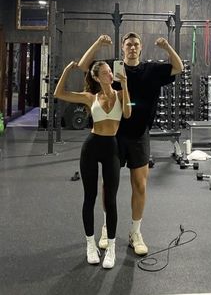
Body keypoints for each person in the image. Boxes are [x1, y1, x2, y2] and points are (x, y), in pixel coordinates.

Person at [76, 33, 184, 256]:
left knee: (140, 185)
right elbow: (83, 65)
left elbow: (178, 67)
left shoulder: (152, 70)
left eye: (136, 44)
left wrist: (166, 46)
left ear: (141, 48)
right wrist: (97, 43)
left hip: (139, 135)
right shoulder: (112, 70)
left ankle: (135, 232)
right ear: (123, 48)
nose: (132, 48)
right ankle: (107, 227)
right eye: (128, 45)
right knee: (109, 186)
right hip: (113, 136)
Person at [54, 59, 131, 269]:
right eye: (105, 72)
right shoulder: (90, 97)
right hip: (92, 146)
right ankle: (90, 244)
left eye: (109, 71)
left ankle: (112, 248)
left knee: (111, 199)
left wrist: (124, 85)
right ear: (97, 77)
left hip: (112, 148)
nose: (109, 75)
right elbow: (59, 93)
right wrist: (68, 70)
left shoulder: (122, 94)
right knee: (90, 197)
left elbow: (127, 113)